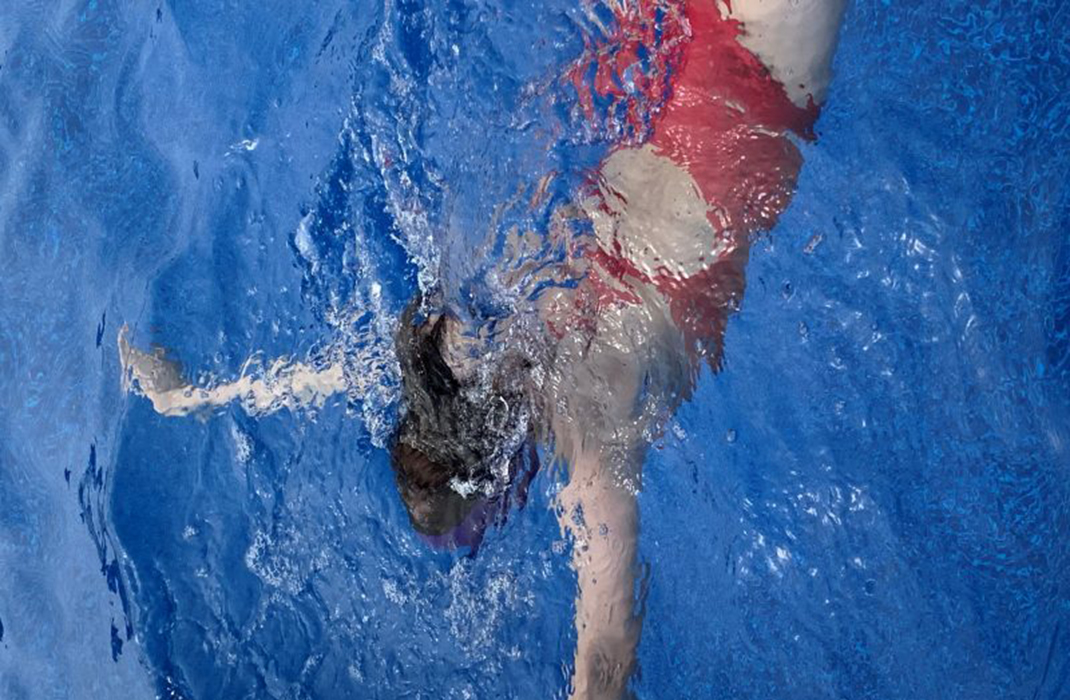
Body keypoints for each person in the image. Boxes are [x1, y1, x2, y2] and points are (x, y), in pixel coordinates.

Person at [119, 1, 847, 697]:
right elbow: (301, 379)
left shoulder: (589, 437)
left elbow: (601, 655)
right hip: (650, 54)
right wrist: (183, 395)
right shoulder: (453, 348)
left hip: (752, 93)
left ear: (504, 475)